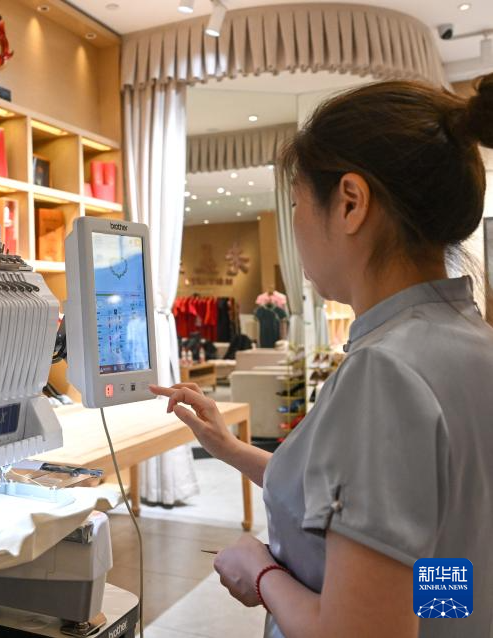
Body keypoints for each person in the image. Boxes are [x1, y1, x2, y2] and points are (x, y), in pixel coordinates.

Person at [152, 73, 493, 637]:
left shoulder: (386, 373)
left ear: (350, 203)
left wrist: (261, 572)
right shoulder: (470, 342)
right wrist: (231, 449)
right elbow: (438, 550)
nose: (295, 222)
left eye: (296, 203)